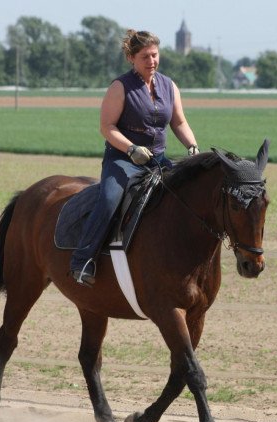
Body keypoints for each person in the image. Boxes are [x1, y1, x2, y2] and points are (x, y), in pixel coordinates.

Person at [70, 29, 200, 286]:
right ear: (131, 58)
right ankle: (83, 260)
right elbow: (107, 127)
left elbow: (179, 121)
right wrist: (131, 149)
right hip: (122, 160)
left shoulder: (169, 86)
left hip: (158, 161)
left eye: (154, 55)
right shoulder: (120, 87)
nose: (151, 61)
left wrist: (193, 146)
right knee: (109, 200)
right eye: (145, 57)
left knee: (186, 197)